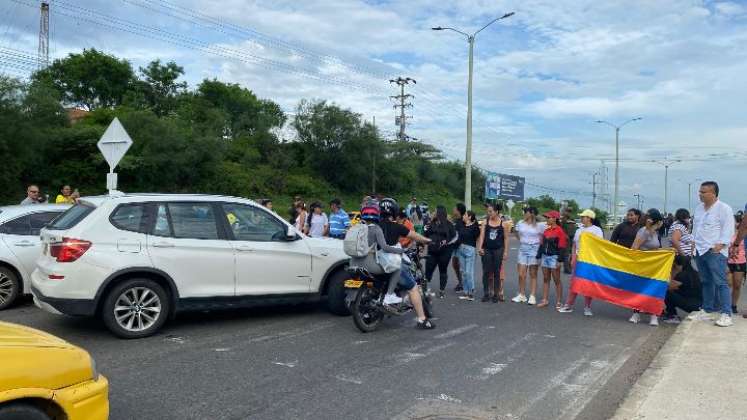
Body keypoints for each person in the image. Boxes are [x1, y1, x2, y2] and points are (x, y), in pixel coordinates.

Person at [374, 198, 435, 329]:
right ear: (394, 212)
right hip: (391, 262)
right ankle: (422, 320)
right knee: (413, 288)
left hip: (376, 263)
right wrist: (428, 241)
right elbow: (414, 236)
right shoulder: (397, 226)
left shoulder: (375, 226)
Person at [688, 181, 735, 327]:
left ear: (713, 194)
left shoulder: (724, 208)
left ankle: (726, 314)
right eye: (700, 192)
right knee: (706, 281)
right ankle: (707, 310)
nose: (700, 194)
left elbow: (728, 228)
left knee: (721, 282)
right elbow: (695, 228)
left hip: (715, 251)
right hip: (700, 250)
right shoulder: (699, 208)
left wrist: (720, 245)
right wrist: (693, 243)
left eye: (703, 192)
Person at [559, 209, 604, 316]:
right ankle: (568, 305)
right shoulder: (579, 229)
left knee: (587, 283)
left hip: (589, 260)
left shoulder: (597, 230)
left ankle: (587, 307)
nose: (582, 218)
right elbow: (575, 244)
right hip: (579, 258)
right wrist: (573, 256)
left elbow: (600, 245)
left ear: (589, 218)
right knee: (575, 282)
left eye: (583, 217)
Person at [630, 208, 665, 326]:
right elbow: (634, 247)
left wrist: (667, 251)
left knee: (653, 289)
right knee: (639, 289)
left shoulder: (657, 233)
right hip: (642, 264)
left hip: (654, 265)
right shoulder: (643, 231)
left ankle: (653, 315)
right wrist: (649, 230)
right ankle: (636, 313)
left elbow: (656, 248)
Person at [477, 203, 510, 303]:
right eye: (488, 211)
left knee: (497, 271)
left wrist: (505, 252)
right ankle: (486, 293)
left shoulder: (503, 224)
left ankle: (496, 294)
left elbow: (506, 238)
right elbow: (482, 235)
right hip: (487, 249)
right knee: (486, 271)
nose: (489, 213)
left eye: (491, 211)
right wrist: (480, 247)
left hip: (498, 249)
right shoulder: (485, 222)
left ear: (496, 212)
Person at [512, 207, 545, 305]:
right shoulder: (521, 222)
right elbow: (515, 231)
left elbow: (544, 235)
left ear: (531, 213)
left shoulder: (540, 225)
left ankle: (532, 295)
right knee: (521, 274)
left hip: (534, 249)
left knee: (533, 273)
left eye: (525, 212)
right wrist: (521, 239)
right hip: (523, 248)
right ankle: (522, 295)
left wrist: (540, 246)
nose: (524, 214)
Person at [424, 205, 458, 298]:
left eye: (435, 211)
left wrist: (446, 242)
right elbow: (425, 235)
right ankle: (425, 290)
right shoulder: (431, 223)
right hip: (432, 251)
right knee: (428, 271)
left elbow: (454, 237)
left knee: (443, 270)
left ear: (439, 213)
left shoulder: (449, 224)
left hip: (444, 252)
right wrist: (426, 228)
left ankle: (442, 290)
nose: (433, 213)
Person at [537, 210, 568, 309]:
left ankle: (559, 301)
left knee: (556, 280)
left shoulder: (560, 231)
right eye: (546, 217)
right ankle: (544, 300)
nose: (546, 219)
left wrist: (560, 260)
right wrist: (538, 256)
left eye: (548, 217)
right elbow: (541, 245)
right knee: (546, 279)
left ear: (554, 219)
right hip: (545, 257)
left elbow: (562, 247)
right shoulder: (546, 231)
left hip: (554, 257)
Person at [662, 255, 702, 324]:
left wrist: (671, 272)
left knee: (667, 293)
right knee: (674, 291)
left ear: (679, 265)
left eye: (675, 265)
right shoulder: (695, 273)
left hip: (692, 305)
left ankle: (672, 315)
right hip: (700, 305)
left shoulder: (682, 275)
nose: (675, 267)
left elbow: (668, 287)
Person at [456, 210, 480, 301]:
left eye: (465, 214)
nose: (463, 215)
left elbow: (477, 238)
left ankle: (471, 292)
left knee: (469, 272)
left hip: (470, 250)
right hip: (461, 249)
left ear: (469, 217)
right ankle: (466, 293)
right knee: (463, 272)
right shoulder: (462, 225)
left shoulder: (475, 227)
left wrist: (478, 249)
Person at [727, 215, 745, 315]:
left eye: (739, 222)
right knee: (728, 283)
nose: (737, 224)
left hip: (740, 261)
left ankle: (733, 305)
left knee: (737, 285)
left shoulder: (744, 234)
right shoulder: (728, 233)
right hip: (727, 261)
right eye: (735, 221)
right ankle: (725, 304)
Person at [451, 203, 467, 292]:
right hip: (455, 246)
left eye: (454, 208)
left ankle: (465, 284)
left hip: (461, 246)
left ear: (458, 211)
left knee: (462, 266)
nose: (453, 210)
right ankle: (460, 282)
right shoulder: (455, 220)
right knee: (455, 264)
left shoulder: (463, 221)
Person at [560, 208, 578, 274]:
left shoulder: (572, 219)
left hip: (573, 237)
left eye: (570, 211)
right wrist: (565, 235)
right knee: (566, 254)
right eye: (567, 211)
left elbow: (575, 227)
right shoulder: (563, 220)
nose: (568, 213)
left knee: (572, 253)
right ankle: (566, 269)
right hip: (566, 238)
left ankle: (570, 267)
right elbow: (561, 229)